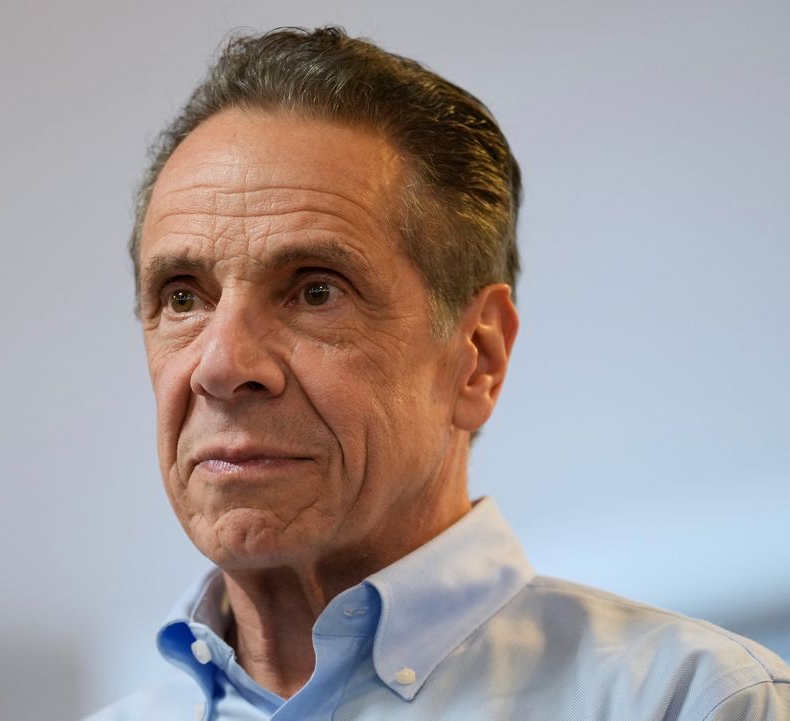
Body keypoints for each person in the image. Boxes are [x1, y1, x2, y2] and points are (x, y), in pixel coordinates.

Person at [84, 26, 790, 721]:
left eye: (316, 291)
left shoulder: (693, 701)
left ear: (478, 357)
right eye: (183, 298)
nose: (220, 365)